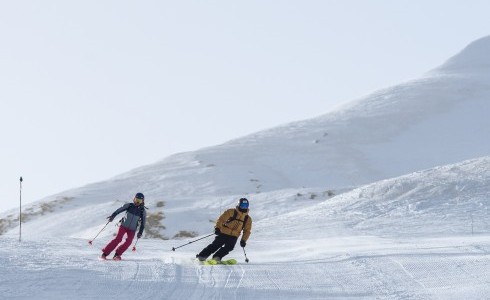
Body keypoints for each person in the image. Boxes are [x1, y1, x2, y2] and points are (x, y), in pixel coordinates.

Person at [196, 197, 252, 263]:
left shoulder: (247, 219)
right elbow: (221, 219)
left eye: (246, 206)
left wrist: (243, 240)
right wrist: (217, 228)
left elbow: (247, 231)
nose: (244, 208)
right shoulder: (231, 212)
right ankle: (202, 256)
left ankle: (217, 257)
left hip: (234, 236)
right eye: (242, 206)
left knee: (229, 247)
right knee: (215, 245)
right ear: (239, 205)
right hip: (223, 232)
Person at [100, 192, 147, 260]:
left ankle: (117, 255)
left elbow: (143, 223)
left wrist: (140, 232)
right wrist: (112, 216)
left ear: (142, 201)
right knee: (118, 239)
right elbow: (119, 210)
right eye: (136, 200)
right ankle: (104, 254)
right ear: (134, 199)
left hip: (132, 229)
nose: (137, 202)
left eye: (139, 201)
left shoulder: (142, 211)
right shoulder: (129, 205)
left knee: (129, 242)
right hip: (123, 226)